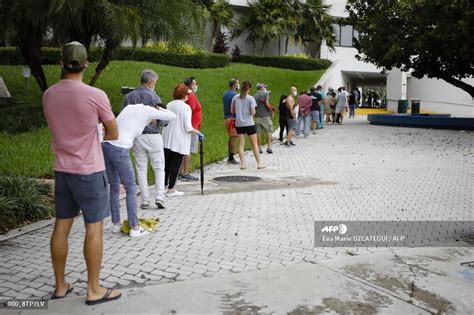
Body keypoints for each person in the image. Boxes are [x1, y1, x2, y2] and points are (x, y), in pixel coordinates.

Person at [43, 41, 121, 305]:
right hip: (89, 171)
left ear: (60, 63)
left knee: (61, 226)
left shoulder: (48, 95)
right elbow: (113, 132)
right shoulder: (95, 95)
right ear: (87, 64)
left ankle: (60, 286)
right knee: (94, 228)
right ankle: (94, 289)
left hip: (62, 171)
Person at [102, 104, 175, 237]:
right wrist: (158, 110)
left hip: (106, 146)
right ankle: (134, 227)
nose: (153, 123)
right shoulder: (148, 111)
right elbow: (172, 115)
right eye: (155, 119)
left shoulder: (129, 107)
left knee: (114, 186)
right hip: (120, 148)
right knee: (130, 187)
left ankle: (116, 224)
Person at [123, 69, 167, 210]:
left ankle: (145, 200)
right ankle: (159, 197)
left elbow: (124, 116)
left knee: (141, 168)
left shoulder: (129, 97)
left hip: (137, 137)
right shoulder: (154, 97)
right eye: (155, 82)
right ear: (151, 82)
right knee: (159, 167)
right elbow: (164, 119)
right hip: (154, 136)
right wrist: (158, 122)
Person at [162, 84, 203, 196]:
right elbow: (187, 127)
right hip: (179, 140)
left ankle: (164, 186)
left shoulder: (169, 105)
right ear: (185, 95)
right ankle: (171, 189)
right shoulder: (186, 108)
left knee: (166, 164)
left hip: (167, 139)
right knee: (176, 165)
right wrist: (198, 132)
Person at [230, 80, 265, 170]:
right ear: (249, 88)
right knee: (254, 144)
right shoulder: (250, 98)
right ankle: (259, 164)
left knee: (241, 144)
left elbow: (232, 111)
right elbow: (253, 112)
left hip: (239, 124)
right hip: (249, 123)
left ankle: (242, 164)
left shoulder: (235, 97)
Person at [179, 77, 202, 181]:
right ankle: (185, 172)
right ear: (190, 85)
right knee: (189, 150)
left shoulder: (185, 94)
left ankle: (180, 171)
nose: (196, 86)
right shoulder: (191, 95)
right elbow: (190, 110)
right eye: (195, 84)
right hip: (192, 127)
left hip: (190, 126)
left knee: (185, 149)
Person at [254, 83, 275, 154]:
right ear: (261, 88)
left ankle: (259, 148)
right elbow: (267, 103)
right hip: (265, 116)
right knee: (269, 131)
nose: (265, 88)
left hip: (257, 117)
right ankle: (269, 147)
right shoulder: (266, 94)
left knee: (258, 133)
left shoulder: (255, 96)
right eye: (264, 87)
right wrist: (271, 111)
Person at [222, 78, 239, 164]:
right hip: (233, 118)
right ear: (234, 84)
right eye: (237, 83)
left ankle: (230, 156)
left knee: (231, 137)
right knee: (234, 138)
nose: (238, 85)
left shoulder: (225, 94)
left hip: (226, 118)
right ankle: (231, 158)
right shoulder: (235, 95)